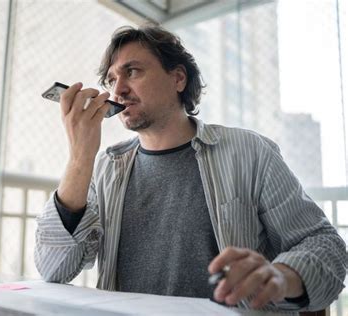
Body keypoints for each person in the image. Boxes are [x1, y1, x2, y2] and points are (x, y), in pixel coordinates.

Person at [34, 24, 347, 312]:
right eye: (112, 79)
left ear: (178, 79)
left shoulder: (250, 152)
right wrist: (80, 158)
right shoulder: (104, 167)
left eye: (132, 71)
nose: (118, 91)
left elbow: (324, 244)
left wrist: (281, 276)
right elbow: (53, 268)